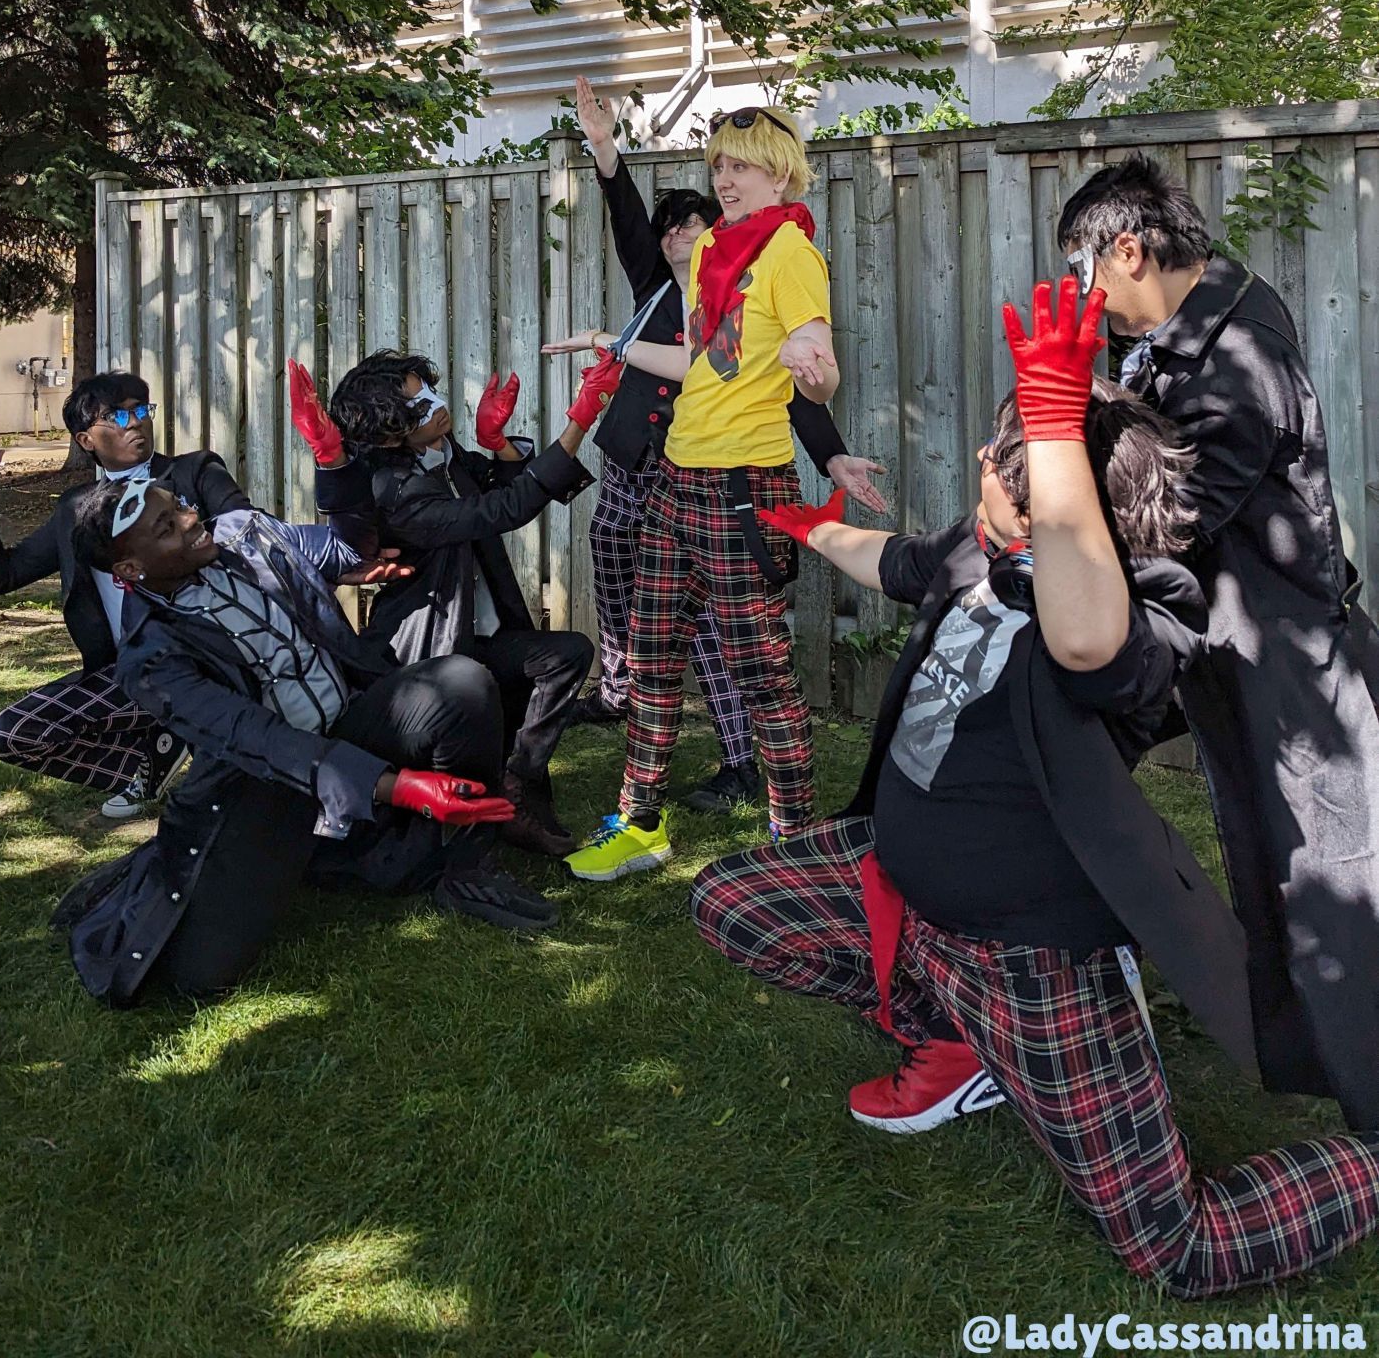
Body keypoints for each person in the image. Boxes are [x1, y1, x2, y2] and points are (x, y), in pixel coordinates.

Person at [692, 280, 1379, 1299]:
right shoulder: (984, 548)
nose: (980, 464)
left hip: (1032, 957)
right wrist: (810, 527)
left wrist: (1056, 424)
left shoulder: (1153, 607)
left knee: (1177, 1246)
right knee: (728, 901)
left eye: (1005, 462)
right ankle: (953, 1037)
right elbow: (891, 560)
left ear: (1054, 496)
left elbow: (1086, 637)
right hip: (905, 890)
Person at [1058, 153, 1379, 1132]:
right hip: (1233, 646)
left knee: (1336, 884)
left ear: (1128, 247)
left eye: (1087, 277)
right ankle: (1305, 1052)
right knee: (1262, 856)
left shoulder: (1240, 359)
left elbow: (1167, 516)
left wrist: (1069, 410)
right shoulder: (1185, 323)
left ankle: (1372, 1109)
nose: (1088, 301)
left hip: (1296, 666)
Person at [54, 476, 553, 1006]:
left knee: (461, 684)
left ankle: (463, 867)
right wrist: (398, 786)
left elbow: (349, 541)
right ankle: (176, 868)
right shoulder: (150, 659)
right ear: (132, 570)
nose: (189, 517)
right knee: (197, 976)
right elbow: (257, 739)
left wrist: (335, 464)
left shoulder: (247, 537)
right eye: (166, 526)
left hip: (352, 719)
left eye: (178, 505)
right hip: (268, 782)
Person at [556, 75, 887, 819]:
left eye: (741, 165)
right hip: (676, 480)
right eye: (719, 166)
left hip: (743, 485)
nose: (726, 179)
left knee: (761, 672)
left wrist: (817, 370)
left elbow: (816, 358)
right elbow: (701, 360)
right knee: (651, 658)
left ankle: (791, 833)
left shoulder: (792, 253)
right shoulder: (710, 248)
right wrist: (614, 343)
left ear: (780, 171)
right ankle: (639, 821)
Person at [288, 348, 622, 858]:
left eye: (424, 388)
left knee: (569, 653)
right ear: (387, 430)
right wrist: (580, 418)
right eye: (413, 403)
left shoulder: (437, 455)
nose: (432, 403)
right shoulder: (395, 488)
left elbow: (499, 487)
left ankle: (519, 780)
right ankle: (479, 822)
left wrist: (498, 446)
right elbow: (504, 509)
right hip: (430, 645)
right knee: (482, 694)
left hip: (478, 631)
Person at [0, 371, 250, 820]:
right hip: (129, 672)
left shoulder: (192, 473)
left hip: (211, 658)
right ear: (86, 439)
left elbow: (246, 526)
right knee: (12, 733)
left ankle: (201, 750)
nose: (136, 422)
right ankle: (155, 756)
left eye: (142, 409)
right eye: (119, 415)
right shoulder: (77, 509)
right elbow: (2, 576)